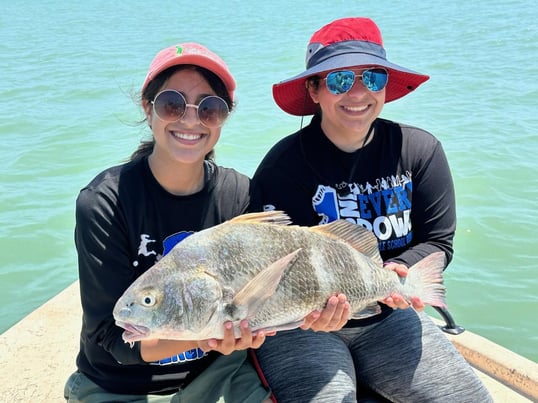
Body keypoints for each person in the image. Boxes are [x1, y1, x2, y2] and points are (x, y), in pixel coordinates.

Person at [250, 17, 493, 402]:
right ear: (313, 90)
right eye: (340, 80)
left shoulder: (419, 151)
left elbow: (437, 241)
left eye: (373, 78)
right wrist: (312, 309)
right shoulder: (281, 168)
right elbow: (268, 266)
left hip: (389, 313)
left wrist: (403, 269)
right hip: (303, 326)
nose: (359, 93)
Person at [64, 42, 272, 402]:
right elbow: (111, 339)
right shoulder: (105, 202)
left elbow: (263, 294)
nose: (191, 120)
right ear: (148, 109)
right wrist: (205, 335)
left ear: (223, 118)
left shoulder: (238, 195)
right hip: (119, 384)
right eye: (172, 104)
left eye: (209, 108)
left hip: (218, 371)